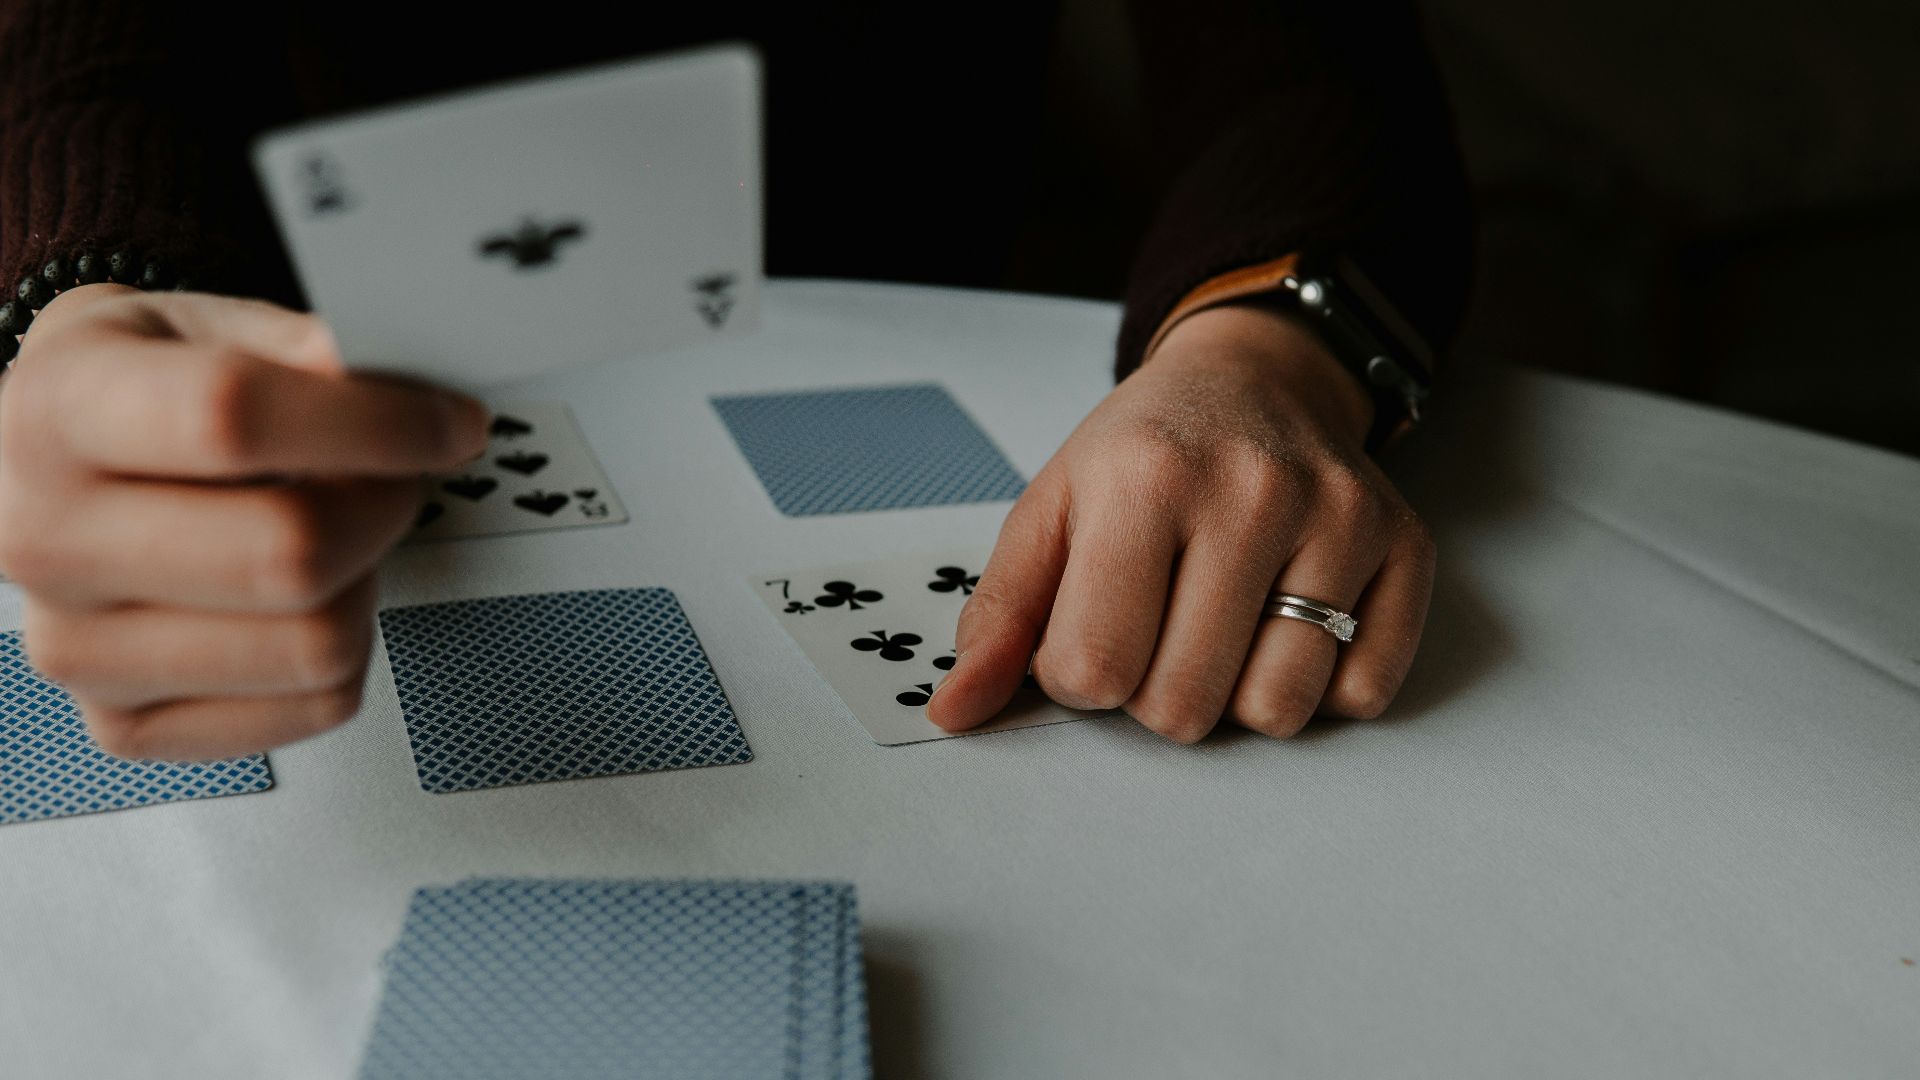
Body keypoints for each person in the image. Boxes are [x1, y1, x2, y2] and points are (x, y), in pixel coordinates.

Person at [0, 2, 1470, 760]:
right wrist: (87, 297)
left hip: (905, 270)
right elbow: (83, 54)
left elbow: (1316, 64)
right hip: (311, 323)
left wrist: (1262, 349)